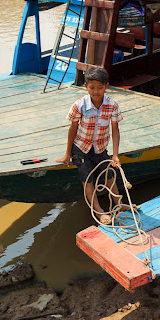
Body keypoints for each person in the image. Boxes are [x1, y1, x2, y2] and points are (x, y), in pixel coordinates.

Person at [56, 67, 129, 218]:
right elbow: (73, 129)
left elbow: (115, 130)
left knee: (109, 175)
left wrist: (115, 155)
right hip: (81, 148)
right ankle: (99, 211)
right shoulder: (79, 105)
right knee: (88, 180)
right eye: (92, 88)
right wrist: (67, 154)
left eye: (100, 88)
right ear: (86, 87)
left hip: (100, 148)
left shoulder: (112, 105)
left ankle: (119, 204)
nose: (96, 91)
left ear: (106, 87)